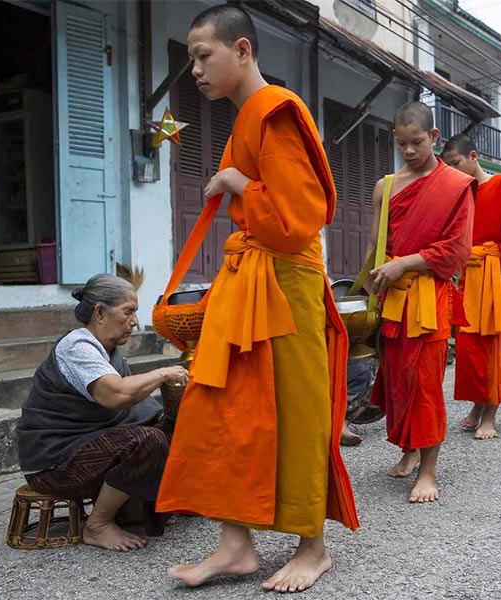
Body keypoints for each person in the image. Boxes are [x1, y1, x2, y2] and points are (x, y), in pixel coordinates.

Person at [155, 7, 358, 593]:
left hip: (286, 285)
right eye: (191, 57)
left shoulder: (276, 110)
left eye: (202, 55)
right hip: (250, 282)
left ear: (241, 50)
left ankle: (312, 547)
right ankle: (236, 543)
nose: (193, 69)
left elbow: (298, 221)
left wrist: (237, 184)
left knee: (295, 410)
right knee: (226, 406)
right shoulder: (248, 116)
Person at [17, 274, 189, 552]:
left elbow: (141, 411)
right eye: (128, 312)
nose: (134, 321)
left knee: (173, 431)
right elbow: (117, 395)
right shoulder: (77, 347)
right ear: (99, 312)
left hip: (87, 449)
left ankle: (133, 507)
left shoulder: (107, 352)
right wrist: (161, 374)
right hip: (53, 463)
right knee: (146, 442)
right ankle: (96, 526)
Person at [367, 101, 474, 503]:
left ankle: (428, 471)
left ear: (433, 138)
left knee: (425, 382)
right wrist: (367, 287)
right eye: (401, 143)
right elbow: (377, 246)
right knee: (397, 379)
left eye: (417, 143)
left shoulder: (454, 185)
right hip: (392, 296)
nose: (409, 151)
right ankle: (409, 449)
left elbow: (457, 250)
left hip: (427, 295)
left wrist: (406, 264)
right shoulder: (386, 185)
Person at [442, 133, 501, 440]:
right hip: (470, 275)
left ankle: (490, 414)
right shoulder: (459, 192)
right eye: (448, 165)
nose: (452, 170)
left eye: (456, 163)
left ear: (473, 156)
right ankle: (476, 407)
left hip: (498, 273)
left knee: (496, 343)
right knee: (470, 346)